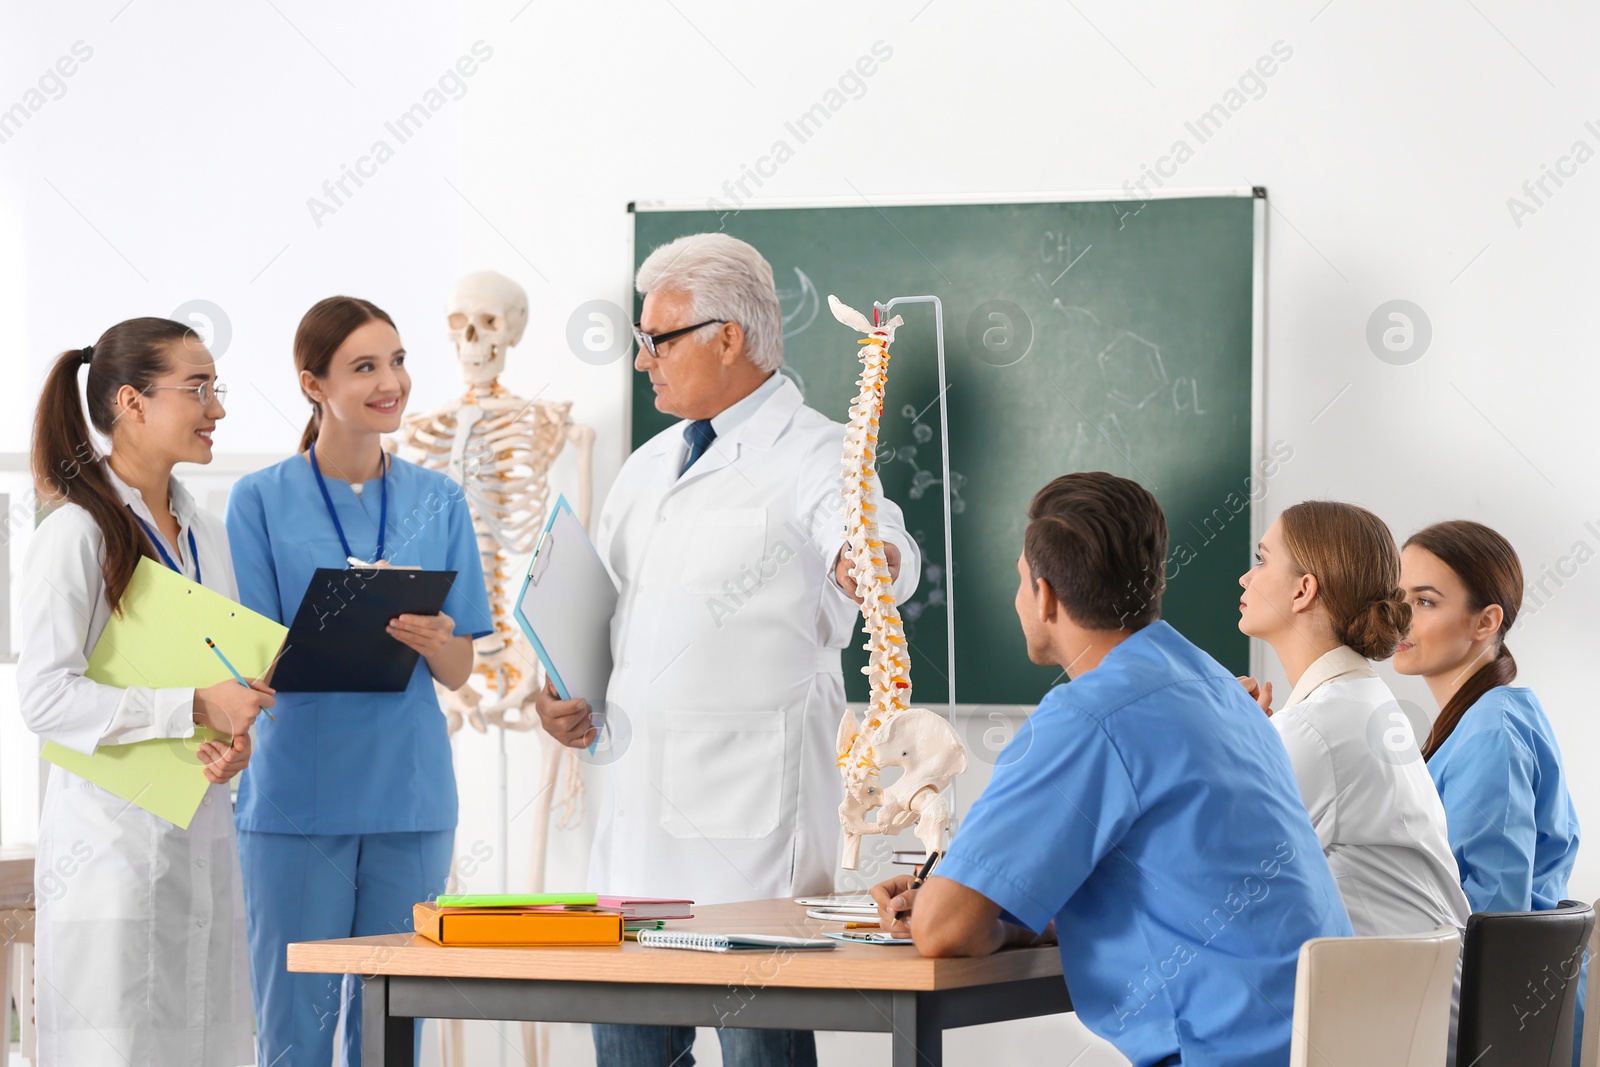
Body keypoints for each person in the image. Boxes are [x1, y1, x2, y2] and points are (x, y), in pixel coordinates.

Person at [533, 232, 919, 1067]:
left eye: (656, 341)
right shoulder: (645, 467)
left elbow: (874, 535)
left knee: (761, 1056)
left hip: (750, 844)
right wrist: (567, 698)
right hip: (634, 840)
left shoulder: (818, 453)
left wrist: (872, 560)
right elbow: (608, 625)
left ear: (728, 337)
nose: (643, 363)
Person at [871, 472, 1351, 1067]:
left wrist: (971, 913)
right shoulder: (1218, 687)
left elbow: (942, 929)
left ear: (1044, 596)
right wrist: (1013, 920)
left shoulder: (1088, 716)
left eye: (1021, 581)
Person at [225, 296, 493, 1067]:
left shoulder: (437, 498)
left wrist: (438, 639)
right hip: (298, 799)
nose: (392, 381)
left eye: (399, 360)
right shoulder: (260, 498)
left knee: (392, 1032)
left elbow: (460, 664)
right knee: (295, 1033)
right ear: (314, 384)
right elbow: (254, 658)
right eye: (366, 366)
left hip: (409, 797)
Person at [17, 318, 273, 1066]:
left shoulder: (204, 531)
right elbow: (44, 698)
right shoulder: (74, 534)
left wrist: (232, 740)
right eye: (198, 389)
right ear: (130, 400)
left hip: (200, 835)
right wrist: (193, 704)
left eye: (215, 388)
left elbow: (225, 675)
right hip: (112, 856)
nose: (216, 408)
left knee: (209, 1041)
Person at [1395, 521, 1583, 1064]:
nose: (1401, 618)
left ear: (1486, 621)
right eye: (1398, 598)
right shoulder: (1480, 719)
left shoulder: (1492, 730)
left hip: (1506, 1020)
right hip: (1511, 1007)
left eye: (1426, 602)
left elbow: (1492, 911)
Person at [1237, 501, 1470, 938]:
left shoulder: (1314, 730)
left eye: (1261, 560)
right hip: (1424, 994)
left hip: (1396, 1000)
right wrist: (1249, 746)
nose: (1245, 577)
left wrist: (1230, 746)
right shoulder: (1356, 702)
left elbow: (1214, 875)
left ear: (1303, 590)